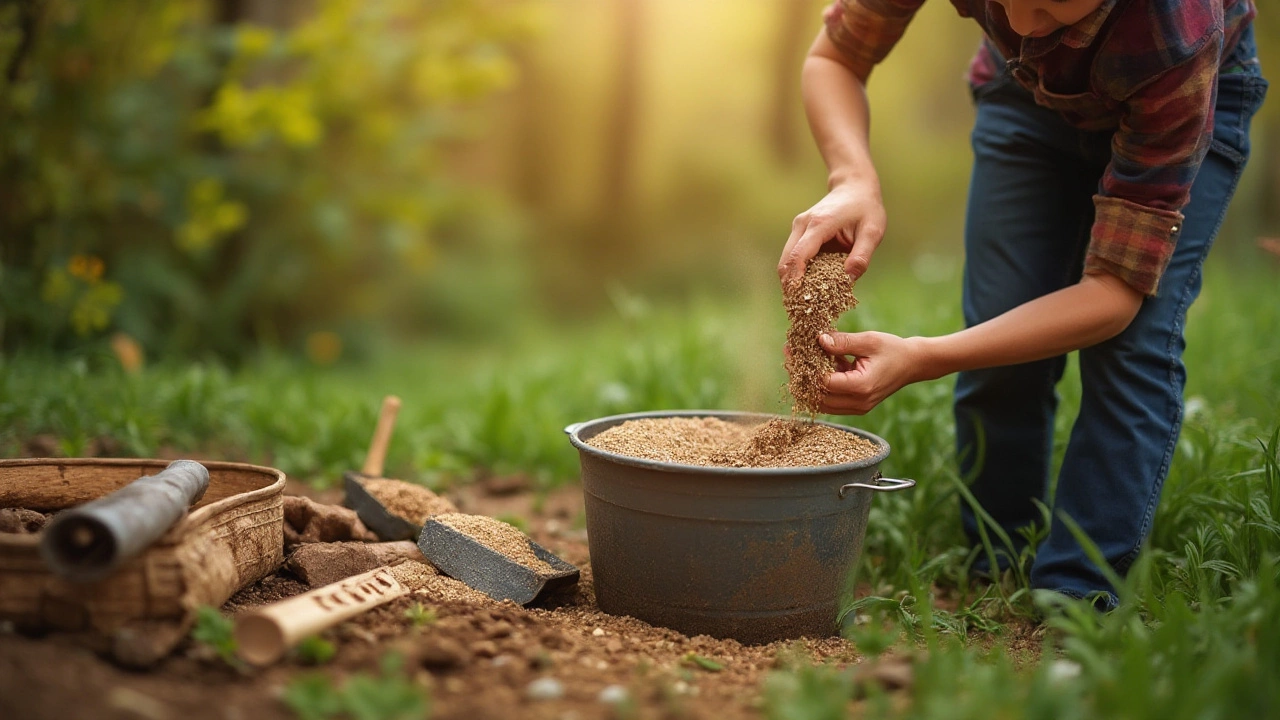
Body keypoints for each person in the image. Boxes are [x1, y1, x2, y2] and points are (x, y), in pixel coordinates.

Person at [778, 0, 1267, 607]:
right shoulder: (1026, 31)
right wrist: (851, 176)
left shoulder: (1176, 33)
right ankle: (995, 567)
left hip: (1188, 95)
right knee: (1000, 328)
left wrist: (924, 357)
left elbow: (1113, 294)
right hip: (1024, 99)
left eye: (1048, 5)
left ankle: (1075, 604)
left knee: (1131, 346)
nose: (1024, 25)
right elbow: (835, 56)